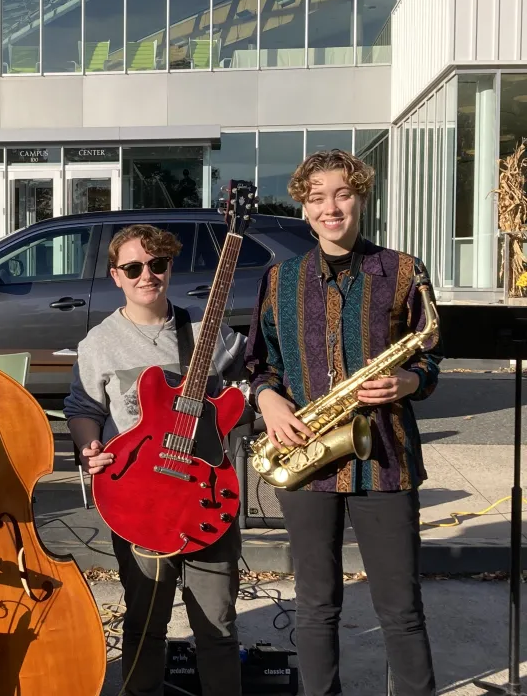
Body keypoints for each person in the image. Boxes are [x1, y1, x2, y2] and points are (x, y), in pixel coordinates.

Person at [244, 149, 442, 696]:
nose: (331, 208)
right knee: (315, 604)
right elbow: (262, 363)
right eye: (317, 198)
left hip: (386, 456)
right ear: (303, 207)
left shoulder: (404, 270)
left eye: (342, 194)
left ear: (360, 197)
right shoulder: (280, 278)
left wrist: (409, 381)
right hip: (306, 456)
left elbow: (428, 355)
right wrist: (269, 401)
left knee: (401, 608)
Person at [64, 224, 247, 696]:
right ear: (116, 276)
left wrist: (253, 403)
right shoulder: (99, 343)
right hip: (138, 500)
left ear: (169, 268)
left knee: (219, 624)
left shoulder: (205, 330)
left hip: (205, 495)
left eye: (158, 264)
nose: (147, 275)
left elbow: (243, 389)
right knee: (145, 624)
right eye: (133, 267)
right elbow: (84, 408)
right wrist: (90, 450)